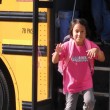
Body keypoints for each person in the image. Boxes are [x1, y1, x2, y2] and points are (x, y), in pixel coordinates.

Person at [52, 18, 105, 110]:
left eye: (82, 31)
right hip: (71, 83)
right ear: (71, 32)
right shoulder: (66, 46)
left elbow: (102, 58)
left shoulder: (90, 45)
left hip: (86, 81)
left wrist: (97, 51)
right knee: (70, 108)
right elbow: (54, 61)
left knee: (90, 102)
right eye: (76, 31)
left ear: (86, 33)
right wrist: (57, 52)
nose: (79, 34)